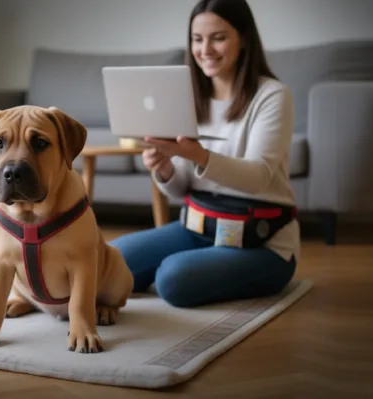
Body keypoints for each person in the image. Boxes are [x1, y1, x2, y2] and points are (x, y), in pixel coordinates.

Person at [108, 0, 299, 308]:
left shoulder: (273, 95)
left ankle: (196, 268)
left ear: (244, 39)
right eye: (197, 39)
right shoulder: (189, 97)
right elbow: (180, 189)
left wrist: (199, 155)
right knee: (109, 260)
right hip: (197, 228)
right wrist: (164, 169)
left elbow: (258, 178)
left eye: (218, 38)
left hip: (263, 244)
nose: (205, 50)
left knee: (172, 278)